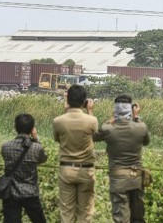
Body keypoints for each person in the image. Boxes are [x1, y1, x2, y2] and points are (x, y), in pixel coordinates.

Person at [93, 94, 150, 223]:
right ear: (131, 110)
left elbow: (94, 137)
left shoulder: (108, 129)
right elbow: (146, 142)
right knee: (137, 217)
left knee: (121, 218)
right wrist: (136, 117)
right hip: (136, 179)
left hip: (118, 180)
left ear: (115, 110)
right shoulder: (141, 127)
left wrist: (112, 118)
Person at [53, 84, 99, 223]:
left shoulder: (58, 121)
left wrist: (65, 109)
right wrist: (90, 111)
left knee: (66, 212)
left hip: (66, 169)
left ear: (68, 100)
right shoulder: (92, 120)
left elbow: (57, 139)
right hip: (86, 170)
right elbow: (95, 136)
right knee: (85, 213)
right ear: (84, 101)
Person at [0, 114, 48, 223]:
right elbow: (43, 159)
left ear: (15, 127)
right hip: (30, 192)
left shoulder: (6, 147)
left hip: (11, 192)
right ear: (32, 129)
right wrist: (36, 138)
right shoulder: (36, 147)